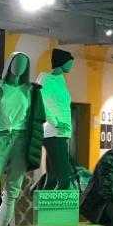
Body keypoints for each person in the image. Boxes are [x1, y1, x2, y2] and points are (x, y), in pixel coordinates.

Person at [0, 52, 45, 226]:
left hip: (21, 141)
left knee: (12, 191)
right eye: (16, 62)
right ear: (9, 64)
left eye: (24, 63)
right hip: (1, 138)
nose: (19, 66)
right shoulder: (1, 87)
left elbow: (38, 119)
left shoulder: (31, 91)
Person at [37, 48, 75, 189]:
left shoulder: (60, 80)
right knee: (64, 179)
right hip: (53, 133)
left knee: (52, 178)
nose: (71, 65)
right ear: (62, 62)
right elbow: (40, 103)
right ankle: (59, 205)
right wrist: (56, 123)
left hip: (61, 134)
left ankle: (42, 203)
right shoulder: (46, 79)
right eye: (70, 62)